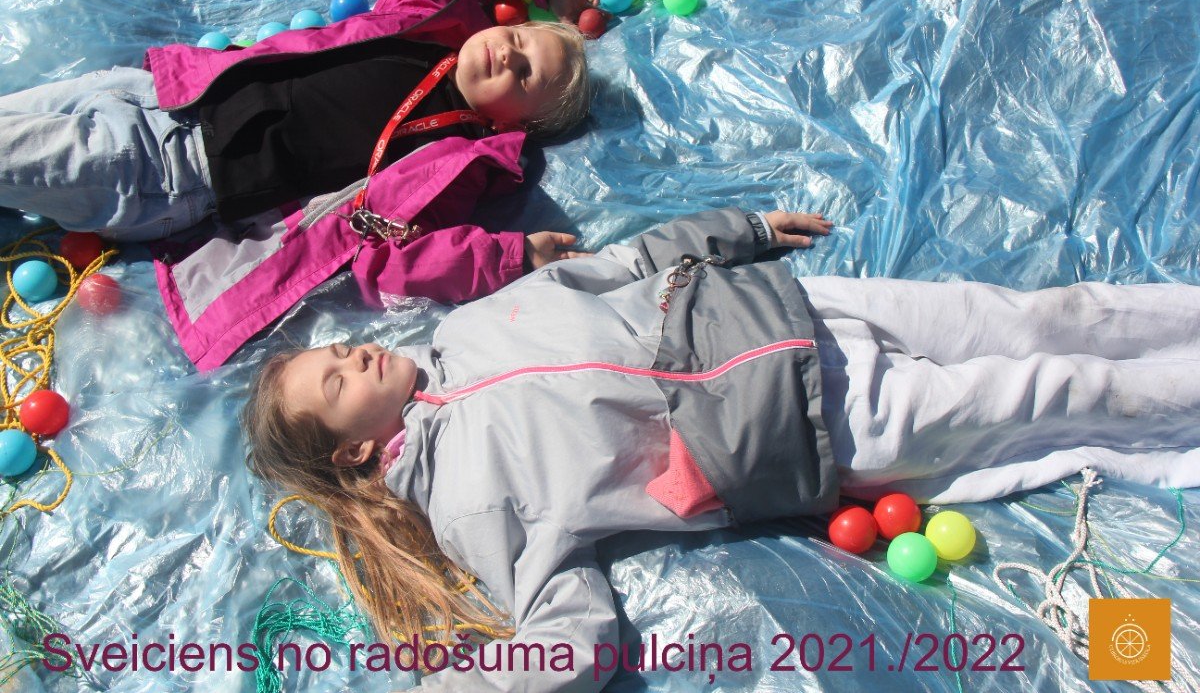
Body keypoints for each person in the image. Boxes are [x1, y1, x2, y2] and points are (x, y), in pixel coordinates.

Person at [242, 207, 1200, 691]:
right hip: (817, 423)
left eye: (336, 351)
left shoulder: (469, 326)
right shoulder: (469, 507)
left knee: (1042, 315)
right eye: (336, 382)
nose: (353, 354)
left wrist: (740, 231)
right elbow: (571, 630)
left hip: (797, 307)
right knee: (1058, 389)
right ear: (355, 454)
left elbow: (619, 264)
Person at [0, 0, 601, 370]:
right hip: (160, 94)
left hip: (165, 173)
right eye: (518, 36)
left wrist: (508, 257)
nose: (507, 53)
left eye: (526, 75)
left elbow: (397, 259)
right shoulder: (425, 21)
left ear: (518, 124)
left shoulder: (451, 162)